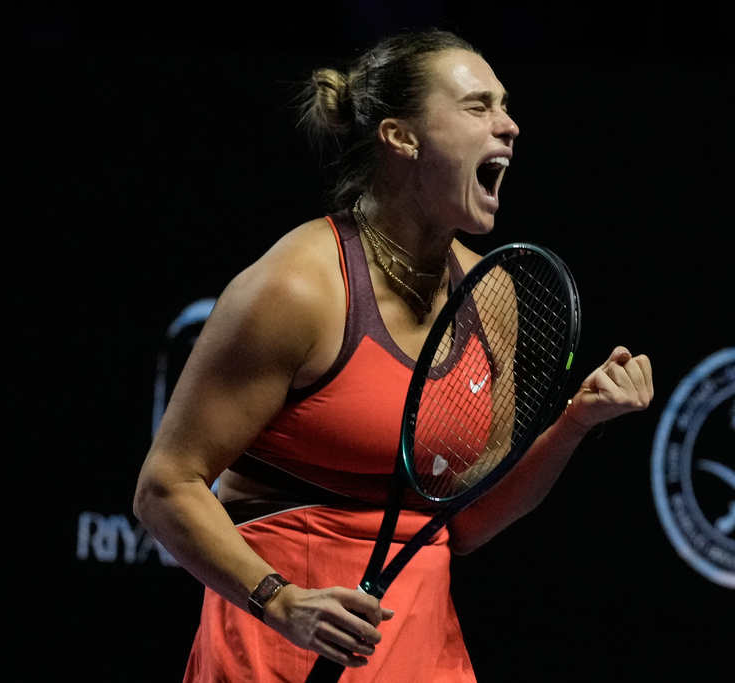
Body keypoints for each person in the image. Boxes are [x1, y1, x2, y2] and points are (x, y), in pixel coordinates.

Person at [134, 28, 653, 682]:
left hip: (421, 645)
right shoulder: (299, 289)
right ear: (401, 137)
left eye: (505, 105)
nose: (510, 125)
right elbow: (165, 488)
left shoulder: (492, 296)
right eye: (478, 106)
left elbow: (462, 522)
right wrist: (281, 601)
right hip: (277, 638)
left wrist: (574, 424)